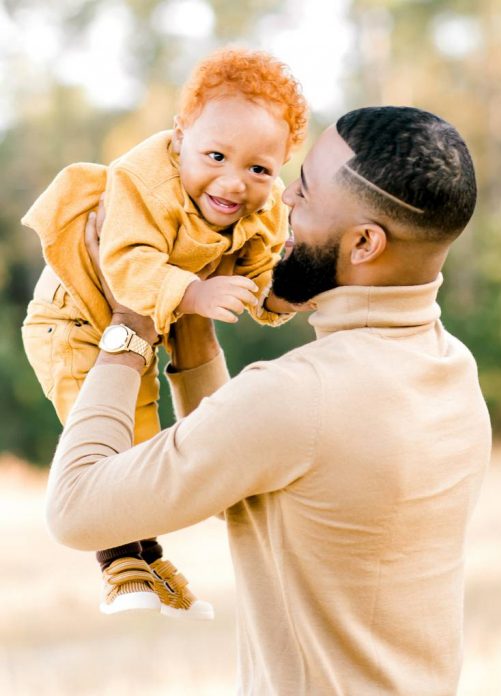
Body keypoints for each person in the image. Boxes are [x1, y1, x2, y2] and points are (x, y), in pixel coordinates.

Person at [45, 106, 492, 694]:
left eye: (302, 194)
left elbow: (75, 510)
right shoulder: (453, 371)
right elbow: (251, 463)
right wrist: (190, 321)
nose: (280, 205)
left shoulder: (300, 395)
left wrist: (130, 323)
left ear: (364, 242)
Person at [22, 47, 308, 617]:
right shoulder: (141, 180)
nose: (233, 182)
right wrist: (198, 294)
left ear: (278, 168)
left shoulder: (263, 207)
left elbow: (256, 281)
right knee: (110, 444)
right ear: (180, 136)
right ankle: (120, 566)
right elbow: (124, 266)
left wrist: (286, 291)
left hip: (144, 329)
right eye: (215, 155)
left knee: (148, 442)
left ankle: (152, 566)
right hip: (73, 318)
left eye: (258, 168)